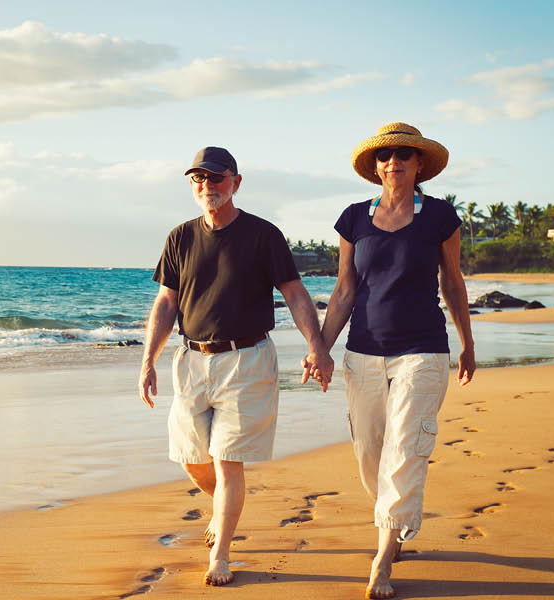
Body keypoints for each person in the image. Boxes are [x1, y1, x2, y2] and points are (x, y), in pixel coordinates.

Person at [139, 146, 333, 587]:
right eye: (197, 179)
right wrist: (147, 360)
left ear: (236, 182)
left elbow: (296, 294)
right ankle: (227, 504)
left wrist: (317, 346)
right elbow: (166, 301)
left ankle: (221, 553)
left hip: (247, 362)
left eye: (215, 178)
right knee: (191, 458)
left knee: (228, 463)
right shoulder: (179, 237)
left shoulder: (264, 235)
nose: (206, 186)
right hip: (191, 361)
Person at [318, 123, 475, 599]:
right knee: (370, 454)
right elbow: (345, 290)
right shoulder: (354, 219)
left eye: (405, 155)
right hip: (363, 352)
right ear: (375, 166)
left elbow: (453, 281)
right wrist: (320, 348)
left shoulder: (441, 217)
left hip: (423, 350)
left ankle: (383, 559)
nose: (394, 162)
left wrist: (467, 340)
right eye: (385, 156)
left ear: (420, 163)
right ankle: (396, 517)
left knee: (405, 451)